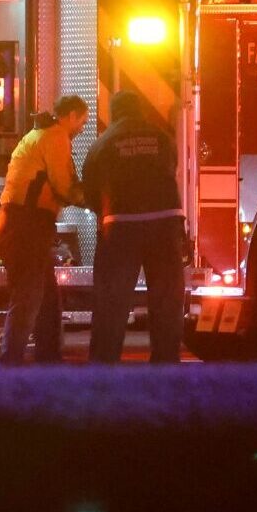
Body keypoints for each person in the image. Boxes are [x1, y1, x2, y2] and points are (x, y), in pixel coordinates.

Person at [82, 91, 185, 364]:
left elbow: (89, 186)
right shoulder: (161, 136)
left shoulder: (104, 143)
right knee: (166, 302)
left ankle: (103, 368)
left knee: (111, 303)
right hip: (165, 224)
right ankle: (166, 365)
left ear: (114, 111)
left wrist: (102, 211)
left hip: (121, 227)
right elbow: (171, 166)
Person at [0, 95, 89, 365]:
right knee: (27, 298)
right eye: (81, 121)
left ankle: (49, 359)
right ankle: (9, 365)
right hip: (28, 226)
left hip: (20, 225)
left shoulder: (37, 135)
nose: (82, 128)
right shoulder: (56, 136)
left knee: (48, 301)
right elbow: (64, 185)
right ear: (70, 115)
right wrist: (94, 201)